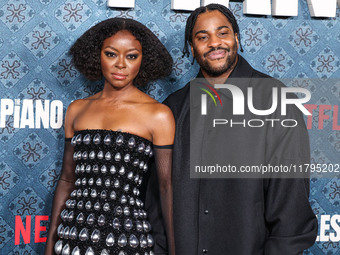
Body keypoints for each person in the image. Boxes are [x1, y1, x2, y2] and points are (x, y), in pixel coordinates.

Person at [146, 4, 318, 255]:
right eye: (202, 37)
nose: (214, 43)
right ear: (191, 49)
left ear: (237, 38)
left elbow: (290, 204)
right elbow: (157, 201)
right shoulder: (172, 108)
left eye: (223, 33)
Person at [44, 18, 175, 255]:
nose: (121, 65)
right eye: (111, 54)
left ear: (144, 61)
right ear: (97, 56)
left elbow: (166, 188)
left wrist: (175, 251)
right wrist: (50, 244)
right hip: (73, 238)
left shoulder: (158, 115)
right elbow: (66, 179)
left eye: (132, 56)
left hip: (127, 239)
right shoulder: (77, 109)